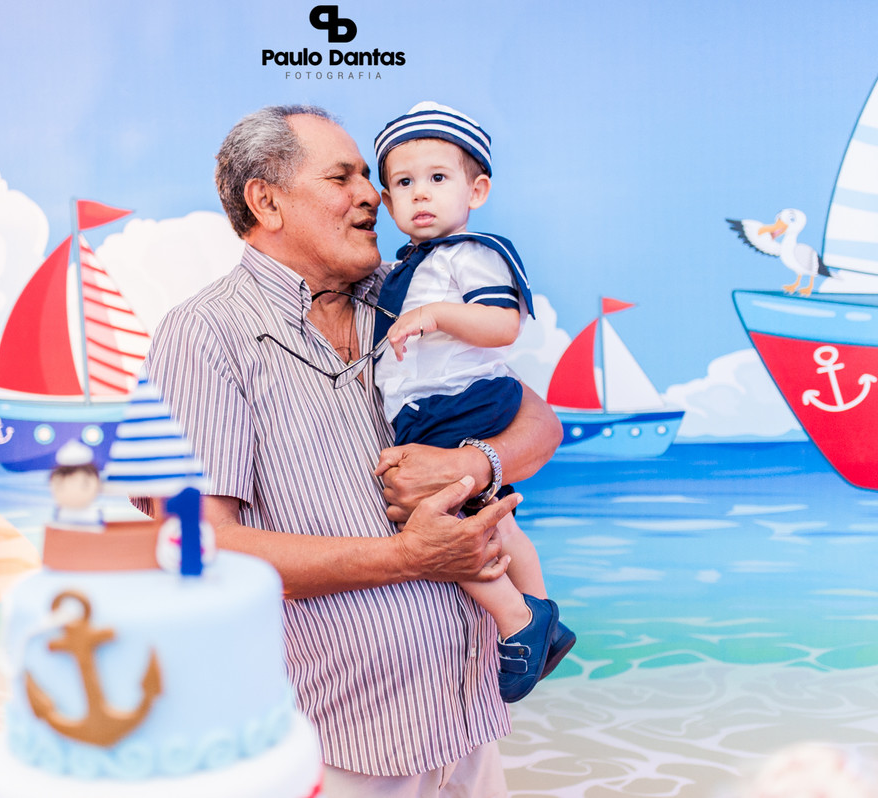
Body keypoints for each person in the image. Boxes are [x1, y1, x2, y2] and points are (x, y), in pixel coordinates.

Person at [139, 104, 562, 797]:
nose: (374, 194)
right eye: (343, 178)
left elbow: (541, 425)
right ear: (266, 201)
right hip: (335, 746)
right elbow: (196, 547)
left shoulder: (409, 293)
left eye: (370, 175)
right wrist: (410, 557)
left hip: (469, 723)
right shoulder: (202, 335)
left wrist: (471, 464)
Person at [371, 101, 574, 703]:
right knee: (496, 517)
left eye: (438, 178)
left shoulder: (471, 253)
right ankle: (544, 617)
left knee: (440, 519)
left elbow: (502, 324)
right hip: (440, 404)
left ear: (476, 190)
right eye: (404, 183)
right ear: (387, 202)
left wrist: (436, 314)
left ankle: (516, 621)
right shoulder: (404, 268)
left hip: (459, 401)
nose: (420, 193)